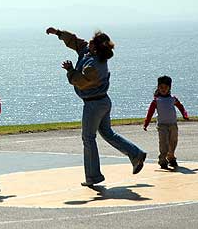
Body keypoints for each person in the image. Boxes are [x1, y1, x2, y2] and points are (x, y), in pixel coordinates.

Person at [46, 27, 147, 186]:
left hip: (94, 105)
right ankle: (136, 154)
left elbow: (82, 82)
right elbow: (74, 41)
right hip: (103, 102)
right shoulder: (89, 52)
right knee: (107, 133)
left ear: (97, 47)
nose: (89, 41)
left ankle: (92, 177)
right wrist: (57, 32)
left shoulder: (95, 65)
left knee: (88, 138)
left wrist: (70, 70)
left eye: (93, 40)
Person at [143, 75, 189, 169]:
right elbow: (150, 113)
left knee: (173, 142)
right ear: (158, 88)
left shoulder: (173, 99)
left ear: (169, 88)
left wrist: (185, 115)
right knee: (163, 143)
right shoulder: (156, 101)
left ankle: (171, 157)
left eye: (165, 87)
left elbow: (180, 107)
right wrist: (146, 124)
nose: (163, 89)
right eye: (161, 87)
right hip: (162, 126)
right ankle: (162, 160)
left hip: (173, 125)